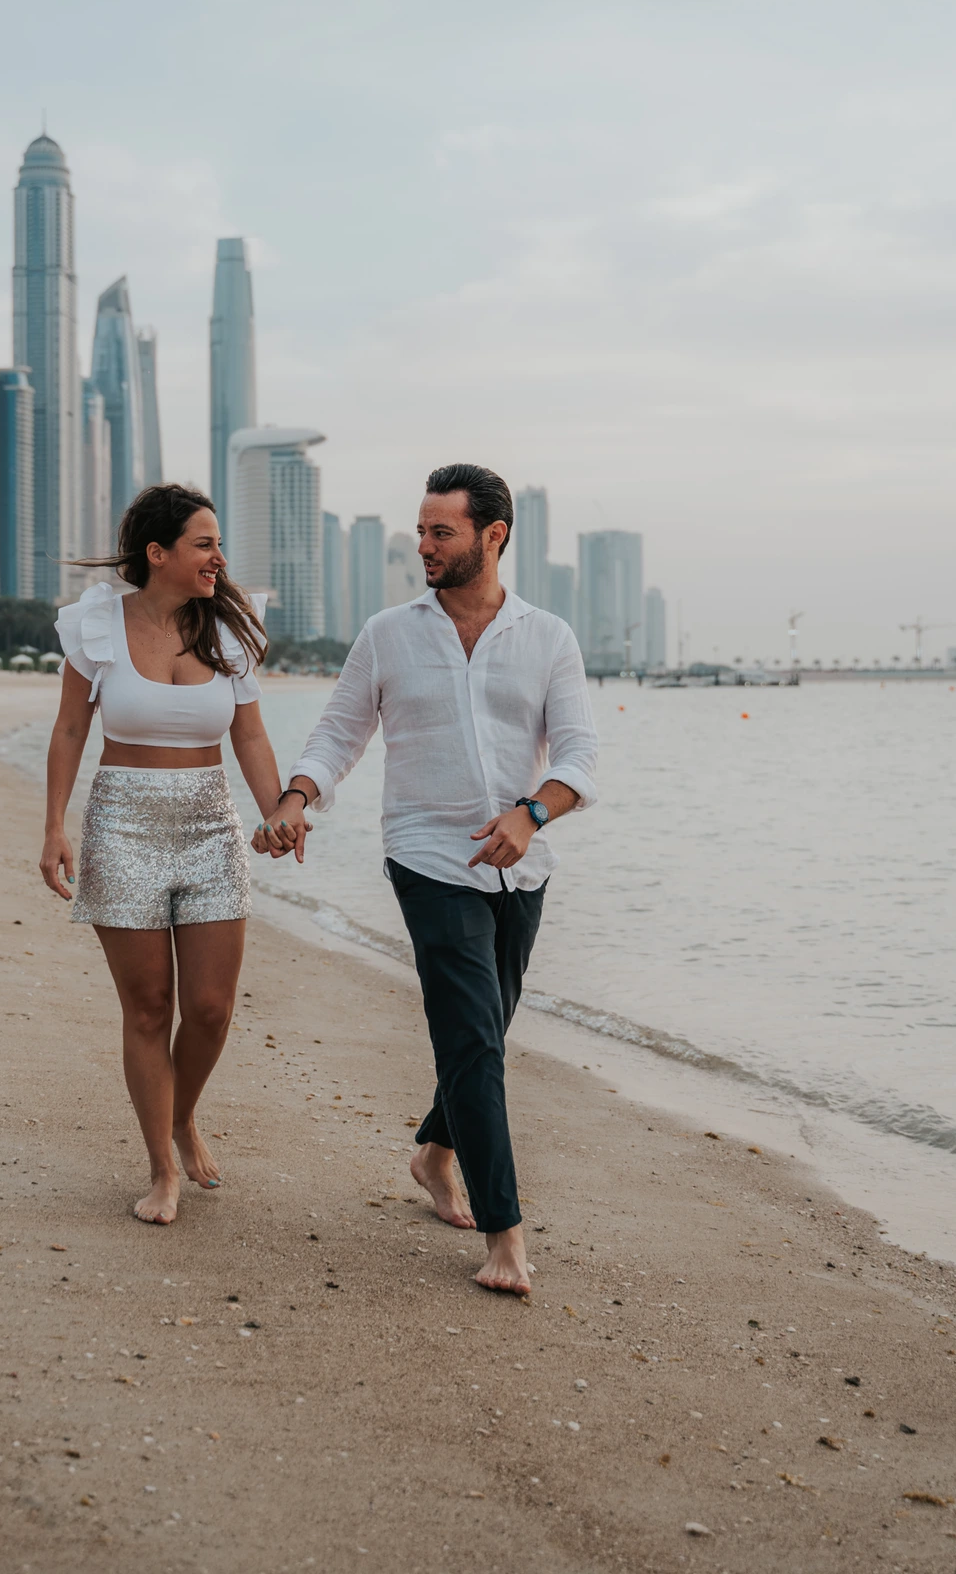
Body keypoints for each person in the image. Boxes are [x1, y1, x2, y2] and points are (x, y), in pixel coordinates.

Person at [253, 463, 597, 1296]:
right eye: (420, 530)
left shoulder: (547, 637)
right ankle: (504, 1235)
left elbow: (580, 759)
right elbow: (337, 733)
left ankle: (434, 1153)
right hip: (425, 857)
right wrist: (296, 798)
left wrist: (530, 813)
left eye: (440, 532)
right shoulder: (387, 633)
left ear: (493, 536)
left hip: (522, 864)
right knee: (470, 1038)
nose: (423, 546)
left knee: (486, 1027)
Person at [40, 482, 301, 1226]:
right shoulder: (97, 626)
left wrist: (278, 810)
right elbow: (68, 731)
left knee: (211, 1010)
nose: (219, 556)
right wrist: (55, 826)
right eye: (204, 543)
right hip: (122, 824)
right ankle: (162, 1166)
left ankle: (184, 1114)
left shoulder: (228, 637)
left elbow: (247, 735)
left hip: (211, 828)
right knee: (149, 1008)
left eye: (218, 542)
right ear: (158, 555)